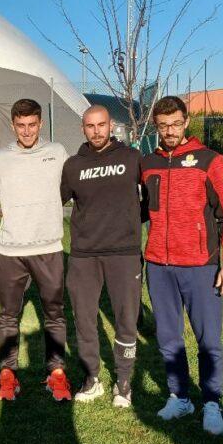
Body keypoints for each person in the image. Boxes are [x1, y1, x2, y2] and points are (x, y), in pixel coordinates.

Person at [141, 95, 223, 435]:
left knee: (208, 339)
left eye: (175, 124)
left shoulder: (210, 160)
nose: (170, 131)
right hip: (158, 264)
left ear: (187, 122)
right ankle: (180, 396)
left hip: (200, 265)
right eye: (163, 126)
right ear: (156, 126)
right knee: (169, 337)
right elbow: (140, 209)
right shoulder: (148, 163)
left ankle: (211, 403)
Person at [0, 99, 72, 402]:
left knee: (54, 314)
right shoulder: (0, 157)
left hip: (49, 247)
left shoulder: (57, 153)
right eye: (21, 125)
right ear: (12, 125)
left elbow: (75, 188)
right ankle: (8, 375)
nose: (27, 131)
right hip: (11, 251)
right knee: (8, 316)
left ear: (41, 124)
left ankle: (56, 374)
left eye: (32, 125)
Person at [60, 105, 144, 408]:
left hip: (124, 253)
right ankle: (92, 377)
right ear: (83, 128)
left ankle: (123, 382)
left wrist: (131, 223)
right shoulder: (72, 165)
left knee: (125, 319)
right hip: (84, 255)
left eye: (101, 125)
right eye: (90, 125)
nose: (96, 131)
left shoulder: (132, 158)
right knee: (83, 318)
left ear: (111, 126)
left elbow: (151, 197)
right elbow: (54, 200)